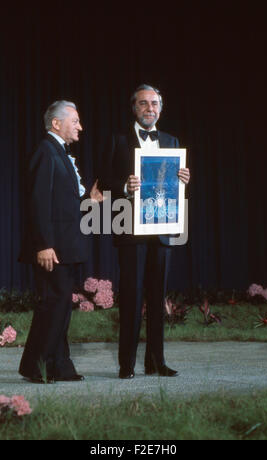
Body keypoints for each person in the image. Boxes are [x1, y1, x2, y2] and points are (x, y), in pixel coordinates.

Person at [106, 84, 190, 379]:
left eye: (154, 103)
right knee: (131, 298)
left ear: (161, 108)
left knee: (158, 299)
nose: (149, 108)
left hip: (163, 230)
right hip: (131, 232)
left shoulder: (171, 140)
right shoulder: (118, 141)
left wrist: (184, 178)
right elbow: (104, 183)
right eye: (143, 104)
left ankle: (156, 362)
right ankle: (126, 365)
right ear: (134, 108)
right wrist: (122, 186)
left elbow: (172, 185)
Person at [19, 100, 101, 383]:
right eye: (75, 121)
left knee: (60, 306)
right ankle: (36, 366)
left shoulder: (59, 153)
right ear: (56, 123)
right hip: (52, 248)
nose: (81, 126)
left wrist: (88, 200)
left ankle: (59, 366)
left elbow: (63, 204)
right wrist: (43, 244)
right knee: (53, 306)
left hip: (64, 247)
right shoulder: (46, 152)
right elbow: (38, 202)